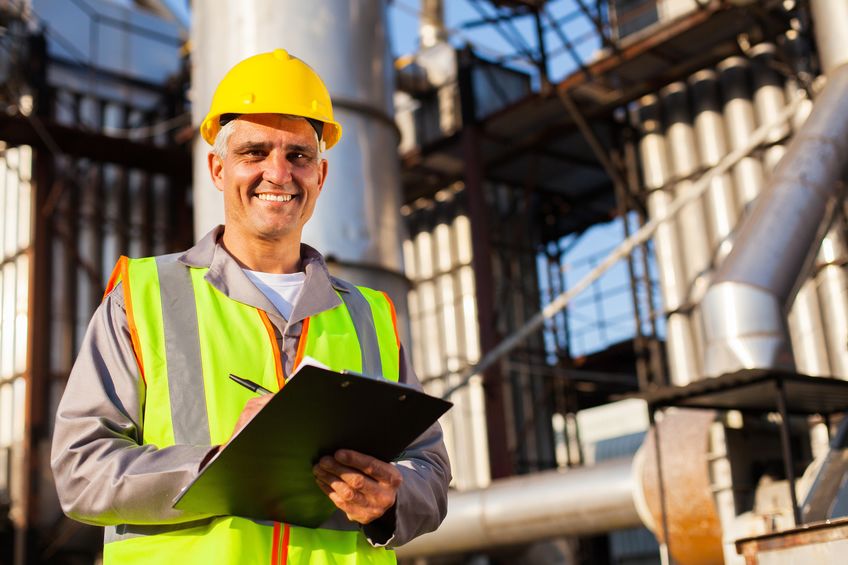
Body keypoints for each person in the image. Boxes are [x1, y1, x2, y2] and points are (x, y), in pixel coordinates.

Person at [50, 49, 451, 564]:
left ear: (321, 177)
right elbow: (82, 470)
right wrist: (221, 467)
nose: (278, 173)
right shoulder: (143, 295)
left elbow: (431, 471)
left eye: (299, 156)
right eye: (255, 152)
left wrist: (392, 498)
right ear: (218, 168)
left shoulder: (370, 315)